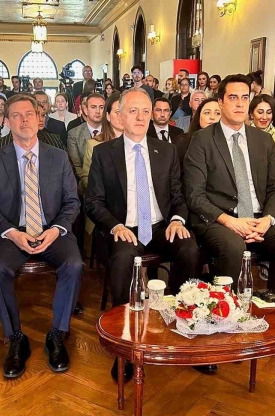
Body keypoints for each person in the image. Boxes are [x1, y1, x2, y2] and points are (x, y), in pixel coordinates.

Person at [86, 88, 201, 381]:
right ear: (120, 116)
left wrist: (177, 219)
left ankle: (182, 325)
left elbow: (178, 196)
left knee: (189, 248)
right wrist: (115, 226)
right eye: (133, 111)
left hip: (161, 226)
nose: (140, 117)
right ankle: (124, 346)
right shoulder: (103, 153)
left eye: (146, 112)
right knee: (123, 259)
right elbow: (94, 202)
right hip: (124, 227)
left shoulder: (166, 151)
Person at [0, 94, 82, 377]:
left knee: (74, 264)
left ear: (39, 118)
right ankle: (15, 338)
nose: (24, 120)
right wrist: (12, 233)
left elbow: (72, 202)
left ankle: (58, 334)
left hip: (51, 230)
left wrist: (55, 230)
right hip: (11, 232)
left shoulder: (58, 157)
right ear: (7, 121)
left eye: (29, 114)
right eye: (16, 115)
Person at [183, 74, 275, 303]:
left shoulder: (263, 140)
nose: (240, 104)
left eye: (245, 97)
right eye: (233, 97)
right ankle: (226, 312)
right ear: (220, 102)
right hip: (220, 220)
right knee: (235, 246)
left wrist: (268, 219)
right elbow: (195, 195)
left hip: (258, 219)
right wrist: (231, 222)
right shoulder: (202, 140)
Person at [80, 93, 123, 193]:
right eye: (117, 112)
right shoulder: (94, 144)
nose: (121, 116)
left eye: (124, 112)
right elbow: (86, 179)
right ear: (107, 116)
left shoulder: (135, 143)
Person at [248, 95, 275, 183]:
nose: (264, 117)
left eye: (269, 112)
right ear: (251, 114)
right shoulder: (243, 135)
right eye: (260, 112)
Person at [172, 97, 221, 170]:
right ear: (199, 117)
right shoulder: (182, 141)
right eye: (207, 112)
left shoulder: (230, 142)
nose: (212, 117)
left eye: (218, 113)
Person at [67, 93, 105, 177]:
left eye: (101, 107)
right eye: (93, 107)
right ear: (86, 110)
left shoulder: (112, 131)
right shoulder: (74, 134)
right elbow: (77, 166)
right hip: (84, 181)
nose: (98, 111)